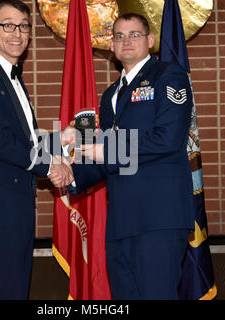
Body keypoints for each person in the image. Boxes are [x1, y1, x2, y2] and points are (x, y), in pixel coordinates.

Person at [56, 13, 195, 299]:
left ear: (150, 41)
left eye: (134, 34)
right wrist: (71, 175)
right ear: (112, 45)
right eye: (119, 36)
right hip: (121, 222)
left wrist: (107, 149)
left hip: (159, 219)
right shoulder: (110, 97)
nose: (126, 41)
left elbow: (166, 139)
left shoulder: (168, 75)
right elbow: (109, 159)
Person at [0, 0, 72, 299]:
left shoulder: (13, 78)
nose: (17, 33)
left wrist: (64, 139)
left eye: (23, 26)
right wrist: (50, 167)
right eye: (8, 25)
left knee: (16, 290)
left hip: (18, 200)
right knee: (3, 291)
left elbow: (24, 143)